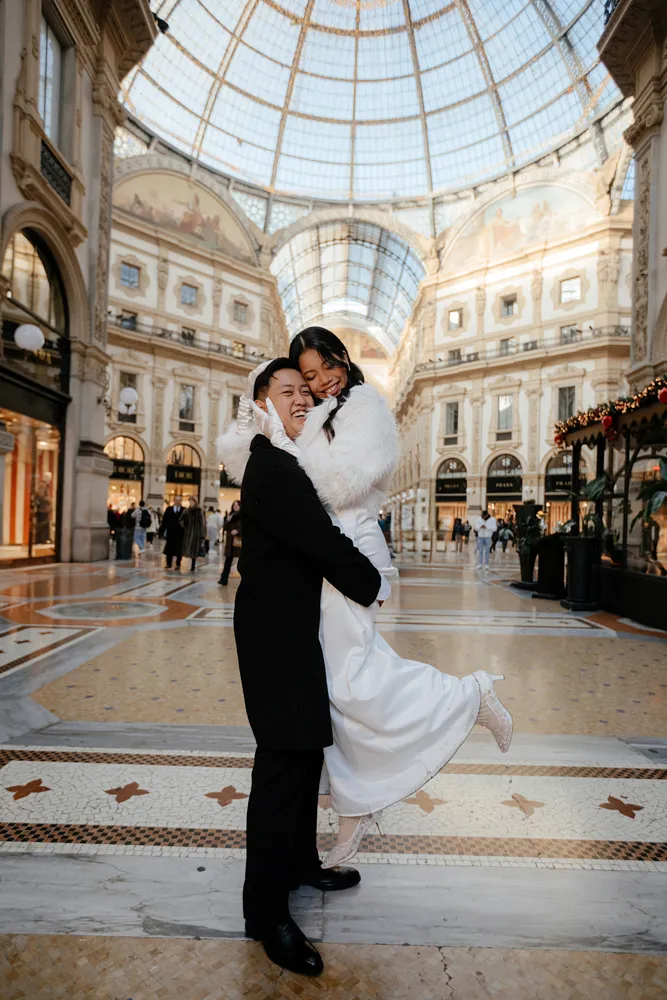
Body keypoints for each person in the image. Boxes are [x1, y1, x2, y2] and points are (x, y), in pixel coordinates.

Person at [218, 358, 386, 978]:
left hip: (292, 630)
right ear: (261, 403)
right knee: (282, 768)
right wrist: (371, 583)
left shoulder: (287, 461)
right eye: (284, 390)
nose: (298, 398)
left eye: (302, 390)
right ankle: (264, 913)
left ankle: (298, 866)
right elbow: (321, 540)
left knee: (305, 748)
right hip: (274, 637)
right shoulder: (273, 465)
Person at [180, 496, 206, 572]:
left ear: (195, 502)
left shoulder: (199, 511)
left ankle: (193, 565)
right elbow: (181, 520)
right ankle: (181, 562)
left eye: (192, 501)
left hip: (196, 534)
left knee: (194, 550)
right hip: (188, 533)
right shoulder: (186, 511)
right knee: (187, 549)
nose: (191, 503)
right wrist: (184, 526)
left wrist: (202, 535)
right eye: (190, 501)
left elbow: (202, 524)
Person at [218, 500, 241, 585]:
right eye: (234, 505)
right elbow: (225, 528)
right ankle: (223, 579)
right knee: (228, 561)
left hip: (238, 542)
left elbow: (244, 528)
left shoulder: (242, 516)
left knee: (242, 562)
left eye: (237, 505)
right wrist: (228, 520)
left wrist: (238, 531)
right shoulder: (230, 515)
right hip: (230, 543)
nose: (235, 506)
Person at [159, 497, 185, 570]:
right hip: (171, 532)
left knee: (179, 550)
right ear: (174, 501)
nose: (178, 502)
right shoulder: (169, 509)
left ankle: (178, 564)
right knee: (169, 549)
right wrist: (161, 530)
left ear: (181, 501)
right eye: (176, 500)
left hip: (180, 533)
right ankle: (168, 563)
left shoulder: (184, 510)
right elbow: (164, 521)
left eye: (179, 500)